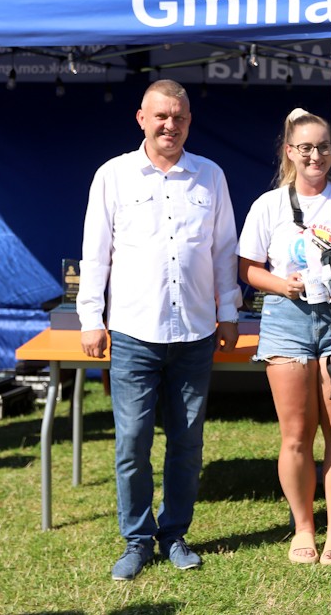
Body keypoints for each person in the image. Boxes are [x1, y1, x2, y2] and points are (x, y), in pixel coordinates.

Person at [76, 79, 242, 581]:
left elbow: (224, 250)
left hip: (194, 332)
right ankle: (136, 539)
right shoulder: (113, 175)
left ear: (189, 121)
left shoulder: (210, 175)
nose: (171, 125)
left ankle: (174, 534)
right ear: (142, 119)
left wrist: (229, 312)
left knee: (187, 444)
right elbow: (95, 252)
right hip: (133, 331)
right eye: (162, 116)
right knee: (132, 442)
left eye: (180, 117)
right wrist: (91, 318)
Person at [238, 108, 331, 566]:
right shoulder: (269, 204)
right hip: (287, 318)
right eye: (306, 148)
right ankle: (303, 527)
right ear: (289, 152)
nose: (316, 155)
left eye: (323, 147)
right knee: (296, 434)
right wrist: (283, 285)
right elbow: (248, 269)